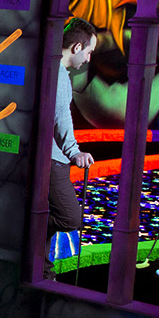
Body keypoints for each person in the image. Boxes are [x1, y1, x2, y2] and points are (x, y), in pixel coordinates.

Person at [46, 18, 100, 267]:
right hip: (53, 160)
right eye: (89, 52)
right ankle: (26, 224)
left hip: (53, 158)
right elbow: (60, 117)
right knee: (70, 218)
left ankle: (44, 270)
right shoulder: (58, 74)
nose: (88, 59)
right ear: (77, 47)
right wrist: (74, 152)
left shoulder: (53, 70)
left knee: (50, 215)